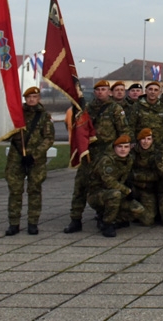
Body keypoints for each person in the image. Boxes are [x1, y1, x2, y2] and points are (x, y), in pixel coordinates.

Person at [65, 79, 128, 233]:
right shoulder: (87, 109)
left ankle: (105, 219)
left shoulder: (115, 109)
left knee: (105, 187)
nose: (101, 92)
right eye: (98, 90)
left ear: (109, 92)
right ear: (94, 92)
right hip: (89, 154)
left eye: (104, 89)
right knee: (80, 186)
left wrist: (119, 152)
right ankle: (75, 219)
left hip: (107, 155)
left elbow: (124, 132)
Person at [4, 86, 54, 236]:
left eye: (34, 97)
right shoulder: (17, 114)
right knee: (15, 190)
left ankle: (33, 223)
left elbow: (48, 139)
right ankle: (13, 223)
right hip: (16, 156)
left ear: (39, 98)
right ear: (25, 99)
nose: (31, 100)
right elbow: (6, 134)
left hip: (35, 159)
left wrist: (34, 155)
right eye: (29, 97)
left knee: (34, 190)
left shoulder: (44, 116)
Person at [87, 134, 145, 237]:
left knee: (139, 210)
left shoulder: (129, 159)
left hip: (116, 192)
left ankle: (114, 219)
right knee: (115, 194)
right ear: (114, 147)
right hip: (97, 194)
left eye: (126, 147)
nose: (123, 150)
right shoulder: (107, 160)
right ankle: (107, 224)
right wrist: (127, 191)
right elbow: (109, 182)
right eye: (120, 147)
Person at [129, 128, 161, 227]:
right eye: (143, 139)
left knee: (148, 221)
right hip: (133, 187)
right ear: (139, 140)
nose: (146, 142)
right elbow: (128, 172)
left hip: (148, 189)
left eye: (148, 139)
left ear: (152, 140)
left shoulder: (157, 153)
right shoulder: (132, 152)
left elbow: (157, 174)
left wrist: (136, 176)